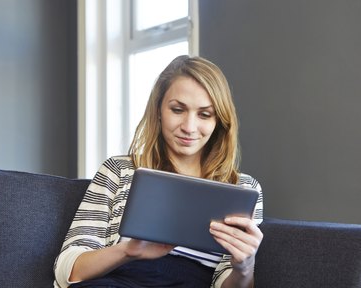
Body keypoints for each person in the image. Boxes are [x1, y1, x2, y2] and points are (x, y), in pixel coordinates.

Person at [54, 55, 263, 288]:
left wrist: (244, 265)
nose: (189, 127)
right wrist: (128, 251)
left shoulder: (242, 189)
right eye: (177, 109)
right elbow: (68, 272)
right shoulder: (119, 170)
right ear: (159, 110)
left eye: (204, 114)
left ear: (219, 121)